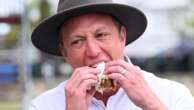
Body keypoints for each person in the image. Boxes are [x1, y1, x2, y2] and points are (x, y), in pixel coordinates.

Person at [30, 0, 194, 110]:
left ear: (122, 37)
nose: (93, 51)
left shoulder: (172, 94)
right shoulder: (42, 106)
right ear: (64, 52)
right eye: (77, 41)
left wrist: (152, 104)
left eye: (101, 35)